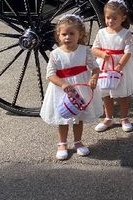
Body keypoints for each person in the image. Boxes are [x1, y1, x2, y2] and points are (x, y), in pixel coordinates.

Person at [39, 14, 101, 160]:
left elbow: (95, 68)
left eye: (72, 33)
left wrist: (93, 77)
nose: (67, 37)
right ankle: (62, 143)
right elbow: (50, 75)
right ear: (58, 36)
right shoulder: (55, 54)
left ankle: (78, 142)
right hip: (62, 90)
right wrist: (63, 84)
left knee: (78, 117)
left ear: (80, 34)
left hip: (80, 89)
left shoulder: (85, 51)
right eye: (64, 34)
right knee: (63, 117)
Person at [92, 0, 133, 133]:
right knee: (106, 93)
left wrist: (119, 65)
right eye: (108, 18)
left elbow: (128, 52)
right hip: (106, 66)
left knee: (123, 94)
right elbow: (94, 49)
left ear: (123, 18)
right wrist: (102, 54)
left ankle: (124, 118)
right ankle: (108, 118)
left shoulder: (126, 33)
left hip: (121, 66)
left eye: (114, 18)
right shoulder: (101, 32)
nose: (110, 21)